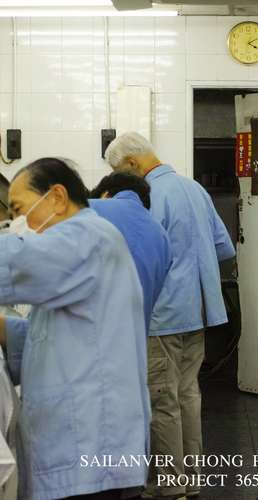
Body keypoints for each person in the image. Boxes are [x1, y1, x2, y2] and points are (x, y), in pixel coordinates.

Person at [0, 158, 150, 500]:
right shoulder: (79, 251)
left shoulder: (88, 237)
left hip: (91, 450)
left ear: (57, 197)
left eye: (19, 210)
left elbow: (17, 262)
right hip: (83, 451)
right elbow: (50, 338)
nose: (16, 224)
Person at [105, 132, 235, 499]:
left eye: (119, 171)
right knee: (188, 395)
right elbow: (224, 247)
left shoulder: (146, 197)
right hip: (198, 309)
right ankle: (189, 479)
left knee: (162, 400)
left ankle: (169, 484)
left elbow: (135, 254)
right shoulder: (194, 189)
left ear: (132, 164)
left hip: (162, 313)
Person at [89, 171, 172, 331]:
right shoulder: (161, 234)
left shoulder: (91, 208)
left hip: (89, 334)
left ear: (105, 194)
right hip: (134, 337)